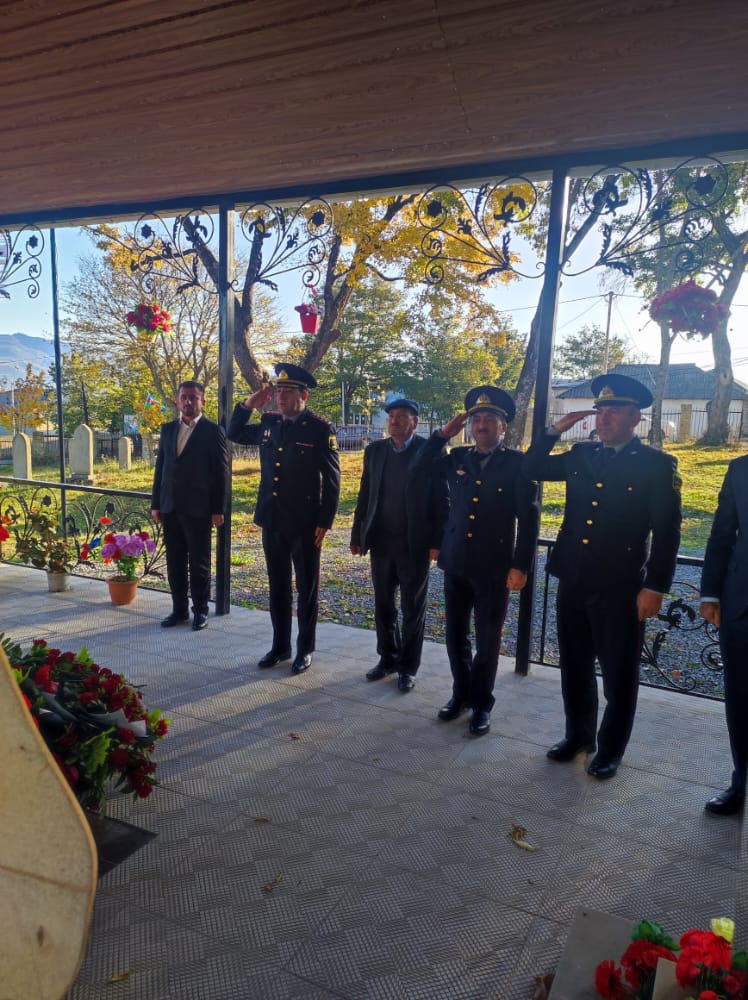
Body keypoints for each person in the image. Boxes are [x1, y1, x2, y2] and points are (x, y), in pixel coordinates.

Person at [522, 373, 682, 779]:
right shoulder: (581, 454)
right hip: (573, 576)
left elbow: (667, 532)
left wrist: (655, 586)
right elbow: (531, 467)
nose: (604, 417)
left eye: (614, 410)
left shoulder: (656, 465)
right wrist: (554, 430)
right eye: (601, 410)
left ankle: (610, 749)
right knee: (574, 665)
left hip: (621, 584)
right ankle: (578, 736)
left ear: (635, 418)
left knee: (618, 672)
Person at [415, 386, 539, 736]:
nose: (482, 425)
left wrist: (521, 565)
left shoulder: (518, 463)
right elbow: (417, 467)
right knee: (455, 635)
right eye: (477, 419)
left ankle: (482, 702)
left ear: (503, 426)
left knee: (487, 638)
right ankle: (461, 694)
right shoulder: (457, 457)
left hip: (494, 566)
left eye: (490, 419)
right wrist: (442, 435)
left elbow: (529, 519)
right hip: (456, 560)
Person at [227, 363, 340, 674]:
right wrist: (247, 405)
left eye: (288, 392)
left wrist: (325, 520)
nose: (282, 397)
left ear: (303, 395)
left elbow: (332, 479)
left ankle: (305, 649)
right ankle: (280, 646)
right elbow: (233, 433)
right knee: (277, 586)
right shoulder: (270, 423)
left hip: (305, 523)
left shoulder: (320, 428)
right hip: (273, 518)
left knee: (306, 588)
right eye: (279, 391)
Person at [350, 398, 448, 691]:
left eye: (402, 416)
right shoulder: (375, 451)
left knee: (412, 608)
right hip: (381, 541)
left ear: (415, 422)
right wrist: (357, 535)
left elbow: (442, 499)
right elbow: (365, 493)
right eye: (391, 416)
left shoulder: (430, 450)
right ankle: (387, 658)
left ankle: (408, 667)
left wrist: (437, 541)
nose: (394, 420)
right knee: (383, 605)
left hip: (414, 544)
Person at [151, 380, 229, 631]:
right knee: (174, 562)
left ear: (202, 401)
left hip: (199, 508)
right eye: (184, 397)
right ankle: (179, 610)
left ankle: (200, 611)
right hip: (170, 507)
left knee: (199, 562)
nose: (188, 401)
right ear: (177, 400)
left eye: (193, 397)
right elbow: (161, 469)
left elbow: (221, 473)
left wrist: (218, 508)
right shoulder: (167, 430)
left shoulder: (212, 431)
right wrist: (156, 503)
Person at [699, 456, 748, 815]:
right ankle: (740, 782)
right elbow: (722, 534)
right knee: (741, 701)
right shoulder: (741, 469)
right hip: (741, 604)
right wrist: (710, 593)